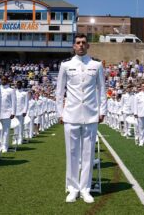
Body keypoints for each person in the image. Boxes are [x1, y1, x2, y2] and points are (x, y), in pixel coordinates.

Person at [56, 34, 107, 203]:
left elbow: (101, 90)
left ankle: (85, 189)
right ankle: (72, 188)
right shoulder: (66, 65)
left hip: (91, 115)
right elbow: (59, 92)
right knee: (72, 153)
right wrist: (59, 113)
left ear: (88, 46)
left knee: (88, 154)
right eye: (78, 43)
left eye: (84, 43)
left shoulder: (96, 65)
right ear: (73, 46)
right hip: (71, 115)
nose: (81, 45)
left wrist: (102, 111)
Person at [0, 76, 16, 153]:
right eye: (2, 79)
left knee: (6, 130)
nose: (3, 81)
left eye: (5, 79)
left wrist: (13, 112)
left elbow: (14, 102)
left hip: (7, 112)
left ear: (7, 81)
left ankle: (5, 146)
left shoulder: (11, 90)